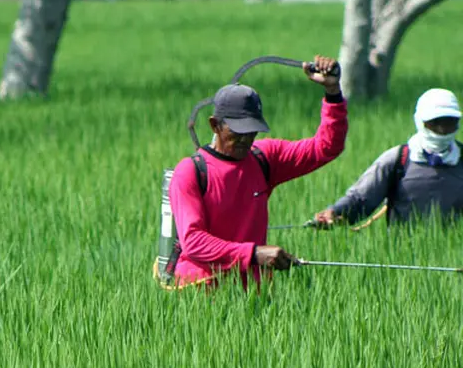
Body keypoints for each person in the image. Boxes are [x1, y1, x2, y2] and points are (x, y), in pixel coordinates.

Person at [167, 55, 347, 289]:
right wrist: (253, 253)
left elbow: (326, 148)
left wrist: (332, 93)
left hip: (252, 291)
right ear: (215, 125)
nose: (245, 138)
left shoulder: (264, 158)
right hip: (200, 289)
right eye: (237, 131)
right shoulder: (191, 172)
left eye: (252, 131)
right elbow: (194, 242)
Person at [314, 88, 462, 228]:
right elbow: (361, 198)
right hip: (405, 251)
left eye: (449, 123)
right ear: (420, 121)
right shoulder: (398, 159)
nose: (443, 130)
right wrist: (335, 212)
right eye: (435, 123)